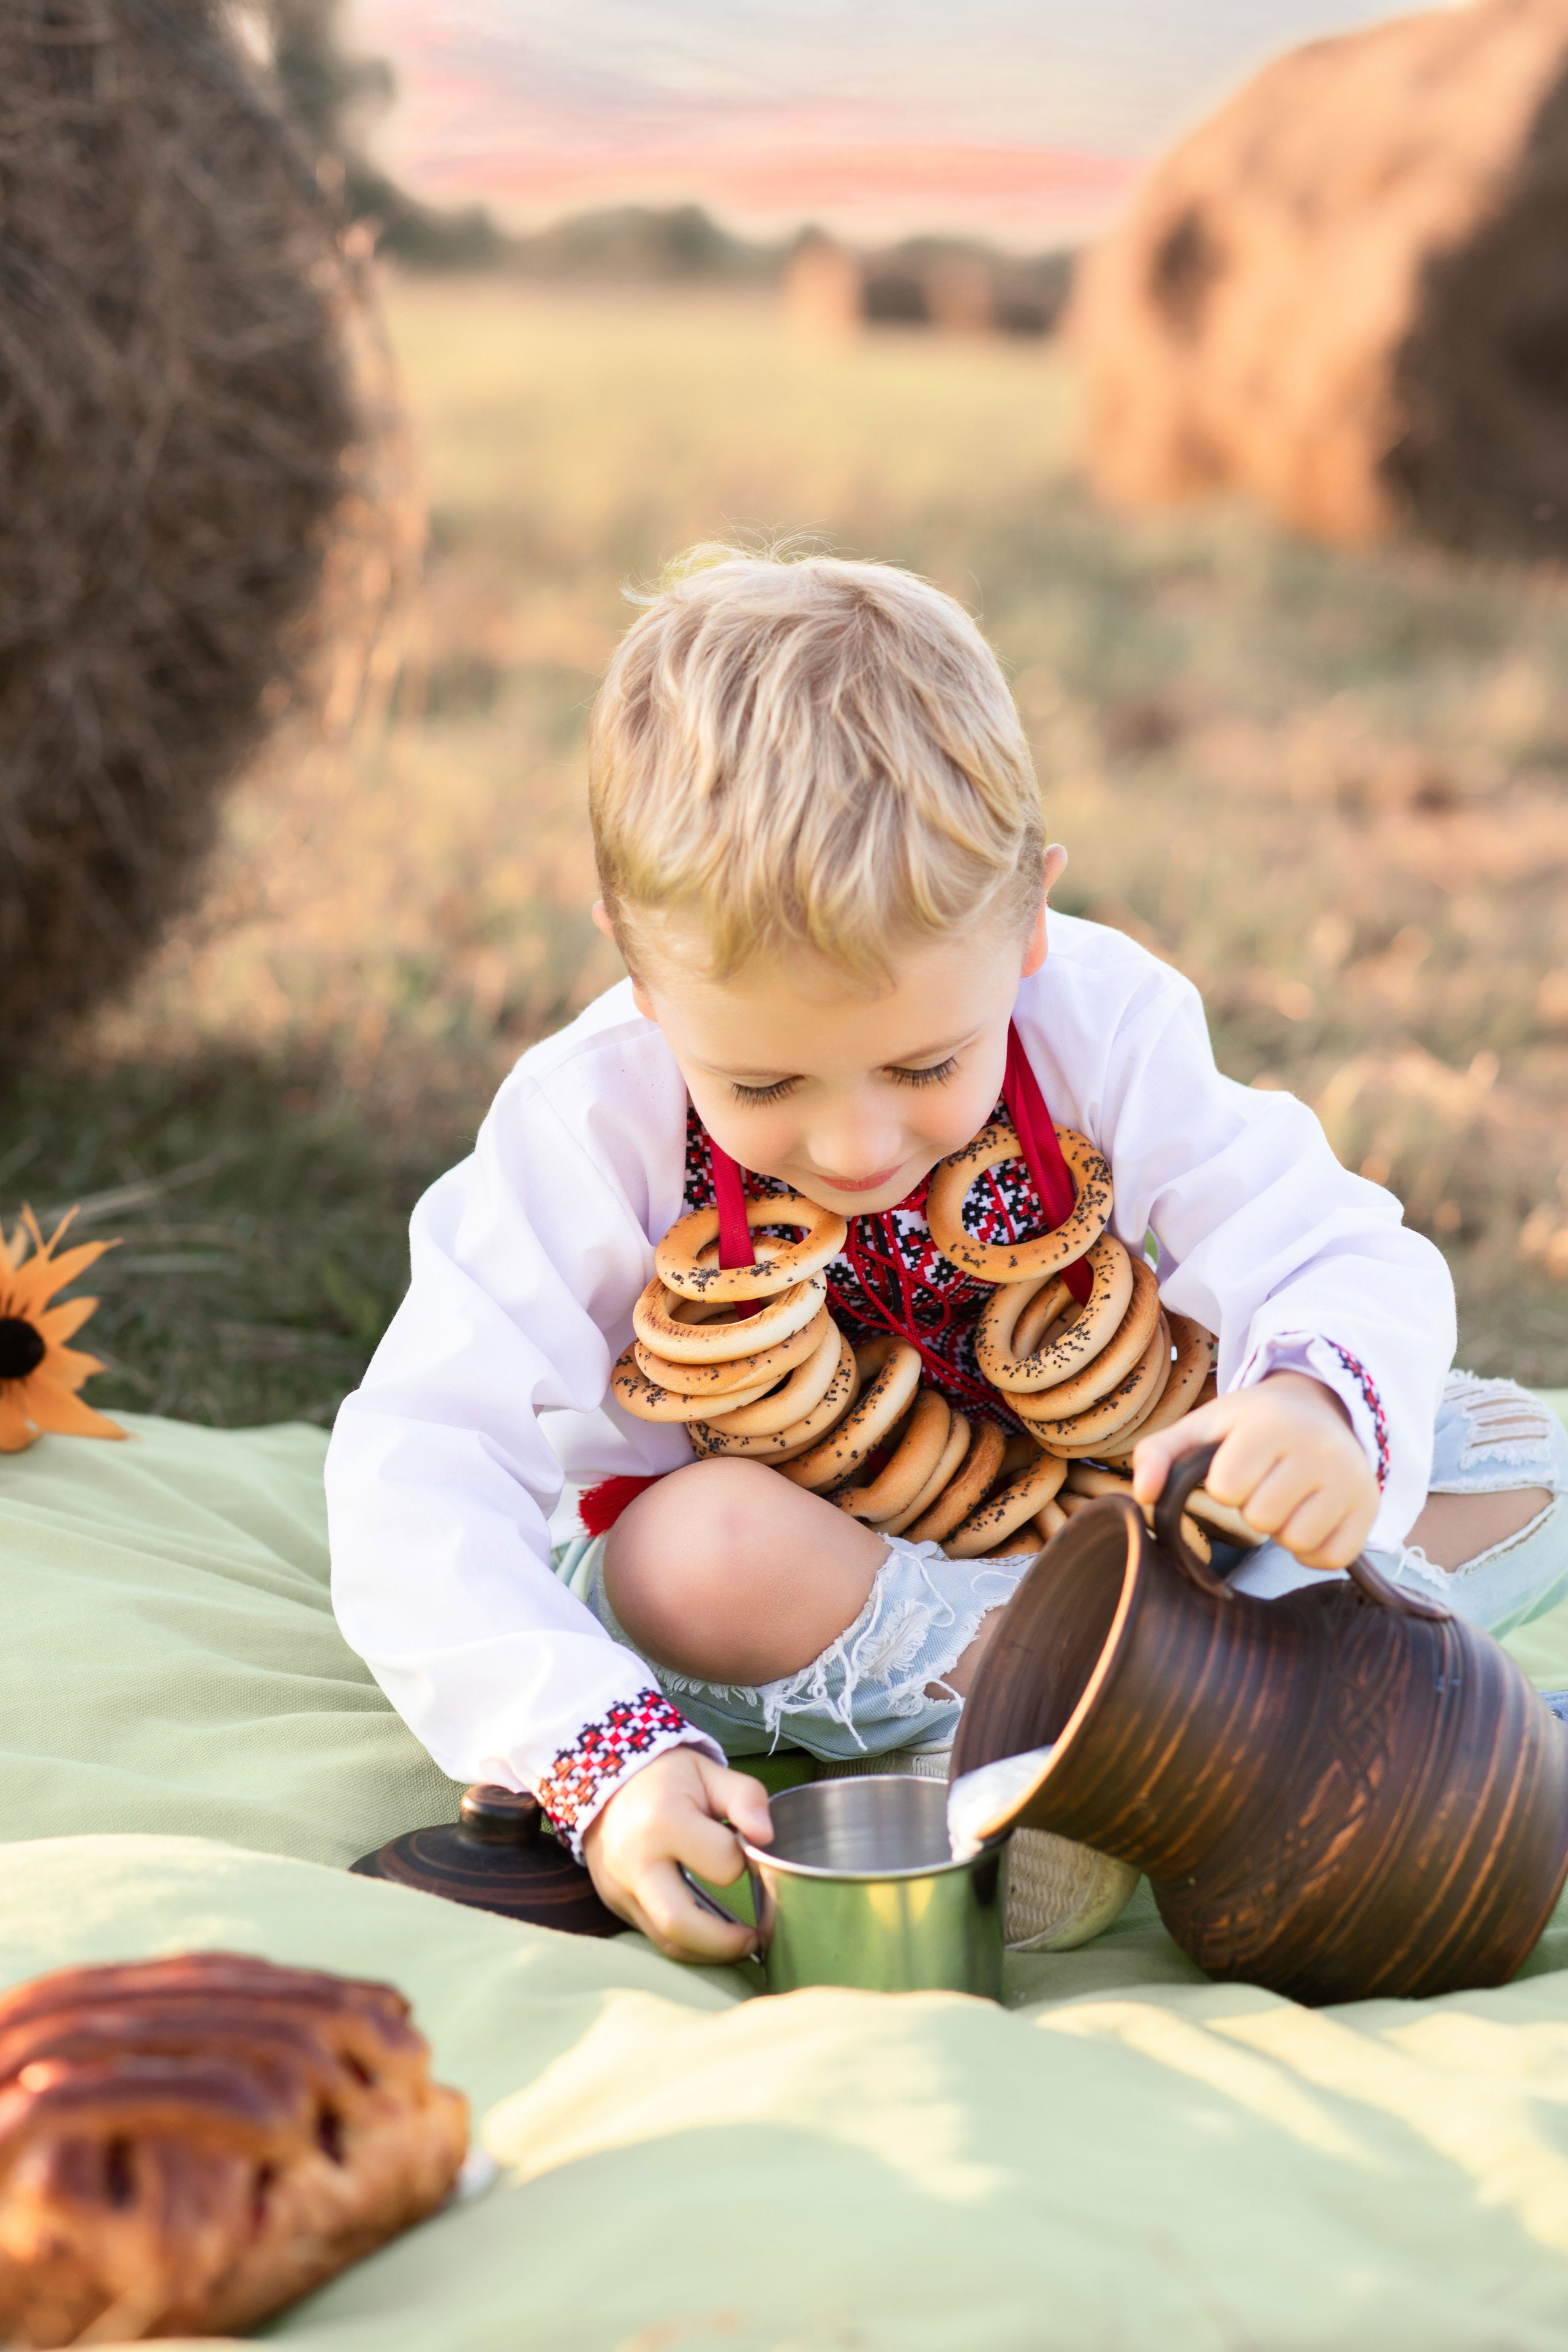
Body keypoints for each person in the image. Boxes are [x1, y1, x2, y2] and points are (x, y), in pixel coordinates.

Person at [325, 549, 1568, 1962]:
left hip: (1096, 1507)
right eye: (763, 1087)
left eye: (924, 1061)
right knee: (696, 1555)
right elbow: (418, 1462)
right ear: (634, 963)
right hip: (816, 1578)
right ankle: (1066, 1721)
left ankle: (1147, 1720)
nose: (855, 1147)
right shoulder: (586, 1119)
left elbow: (1323, 1238)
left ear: (1028, 918)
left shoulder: (1102, 1020)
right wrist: (598, 1764)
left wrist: (1308, 1405)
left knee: (1519, 1463)